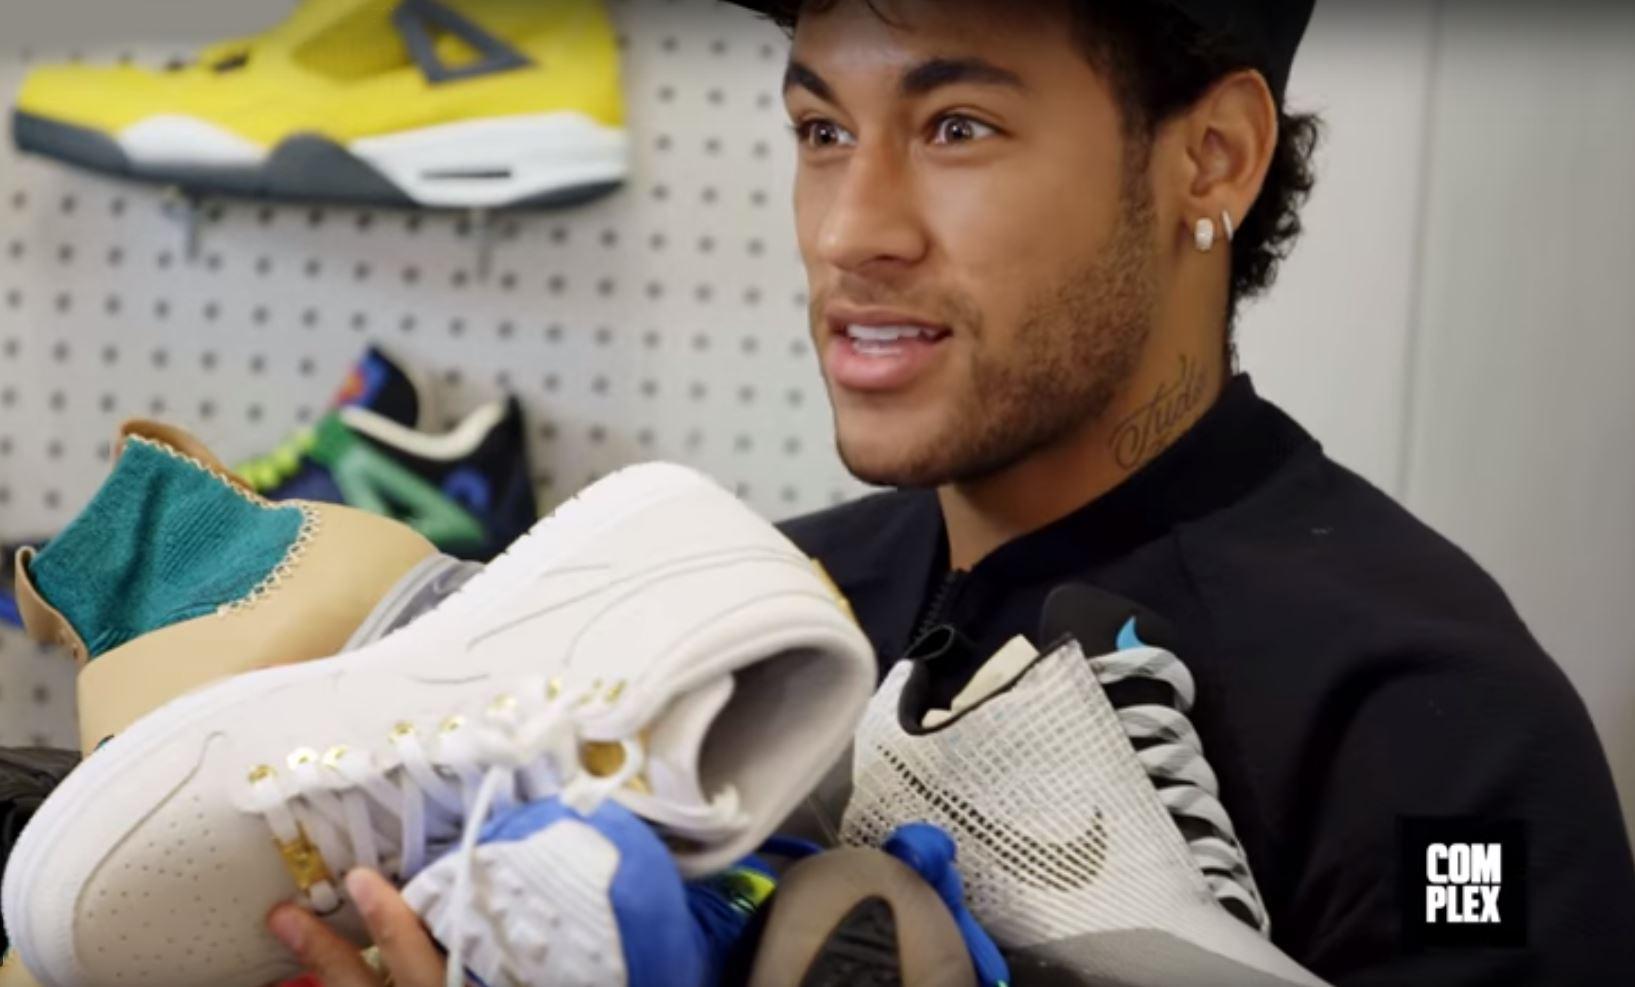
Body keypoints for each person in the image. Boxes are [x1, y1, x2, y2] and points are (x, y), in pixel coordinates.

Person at [265, 0, 1635, 984]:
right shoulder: (756, 614)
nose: (852, 228)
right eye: (820, 127)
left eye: (957, 125)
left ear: (1210, 158)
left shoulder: (1436, 723)